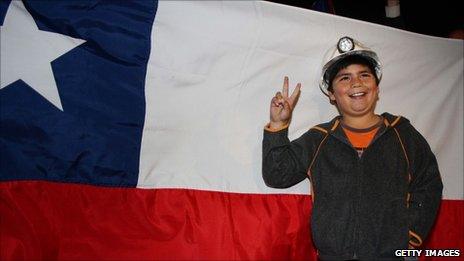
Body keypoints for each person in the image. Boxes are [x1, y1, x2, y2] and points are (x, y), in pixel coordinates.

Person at [262, 36, 443, 259]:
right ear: (331, 94)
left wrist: (411, 237)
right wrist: (279, 125)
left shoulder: (402, 133)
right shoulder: (319, 139)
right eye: (345, 78)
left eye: (364, 75)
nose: (356, 83)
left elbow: (429, 183)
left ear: (377, 87)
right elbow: (276, 175)